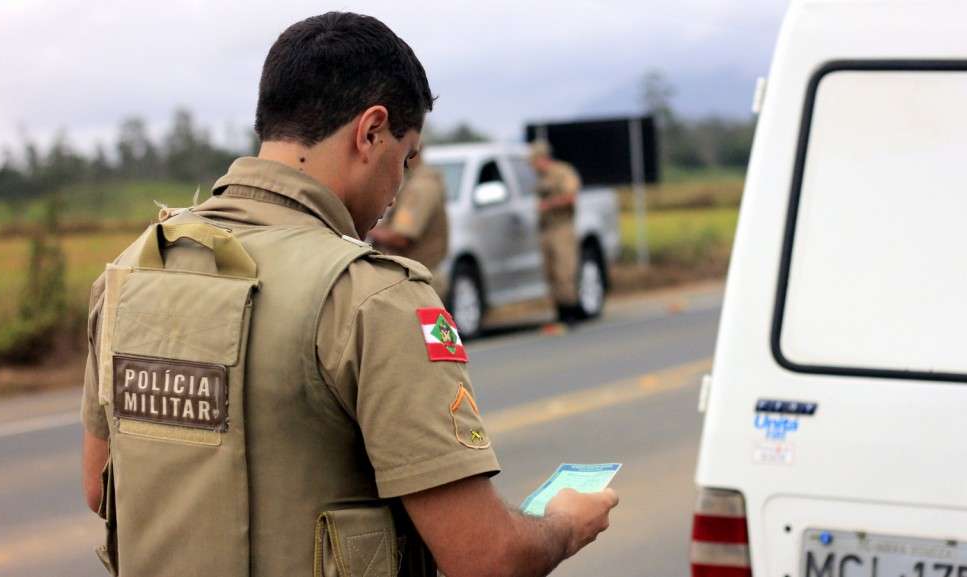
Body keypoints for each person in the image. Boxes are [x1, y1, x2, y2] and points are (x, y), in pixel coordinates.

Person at [80, 12, 617, 577]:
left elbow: (102, 488)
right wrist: (564, 524)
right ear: (371, 131)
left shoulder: (133, 270)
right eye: (405, 157)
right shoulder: (372, 297)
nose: (400, 184)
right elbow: (485, 556)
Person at [367, 152, 450, 297]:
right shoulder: (416, 182)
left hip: (420, 283)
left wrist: (366, 228)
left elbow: (401, 237)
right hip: (418, 280)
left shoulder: (420, 187)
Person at [530, 139, 582, 324]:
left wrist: (548, 205)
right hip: (546, 229)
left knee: (564, 271)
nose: (533, 166)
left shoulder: (562, 172)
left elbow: (570, 197)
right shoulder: (540, 178)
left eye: (534, 161)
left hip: (562, 228)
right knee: (550, 272)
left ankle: (571, 311)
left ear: (542, 158)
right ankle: (560, 311)